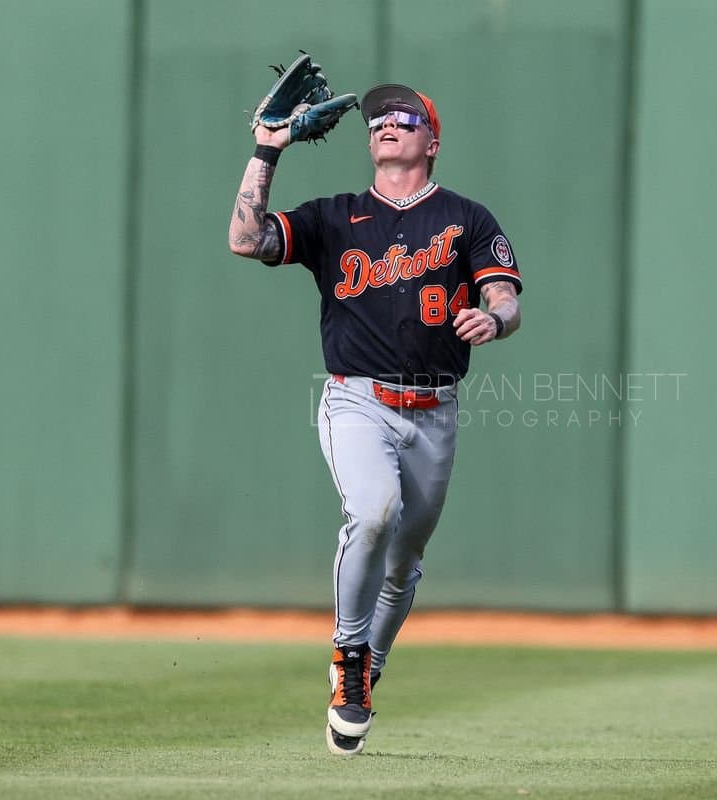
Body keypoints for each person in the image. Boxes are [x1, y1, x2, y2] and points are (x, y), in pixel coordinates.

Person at [228, 83, 522, 755]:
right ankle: (348, 658)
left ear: (431, 142)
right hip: (356, 399)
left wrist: (494, 316)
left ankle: (366, 669)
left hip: (435, 410)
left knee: (405, 564)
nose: (387, 124)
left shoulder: (466, 219)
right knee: (374, 510)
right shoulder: (335, 217)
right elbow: (247, 239)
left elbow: (505, 296)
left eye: (405, 118)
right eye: (378, 120)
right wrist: (266, 151)